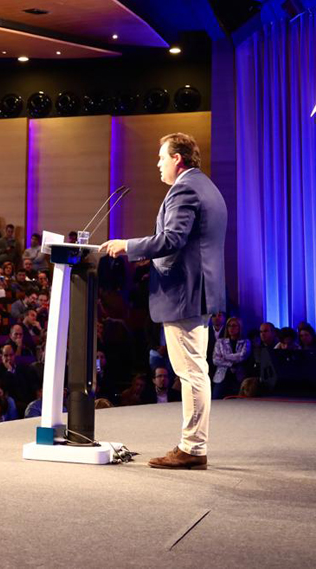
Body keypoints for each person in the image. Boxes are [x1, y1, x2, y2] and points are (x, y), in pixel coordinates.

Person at [101, 132, 227, 470]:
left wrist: (128, 246)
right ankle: (193, 445)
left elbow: (173, 238)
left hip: (184, 293)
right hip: (197, 290)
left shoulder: (184, 189)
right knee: (195, 370)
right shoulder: (206, 186)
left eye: (161, 157)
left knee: (192, 373)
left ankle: (192, 449)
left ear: (178, 158)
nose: (157, 164)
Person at [212, 317, 251, 399]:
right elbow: (216, 360)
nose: (231, 328)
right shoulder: (220, 342)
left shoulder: (245, 341)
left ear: (239, 327)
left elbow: (242, 356)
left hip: (238, 375)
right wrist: (231, 363)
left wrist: (224, 356)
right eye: (229, 326)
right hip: (222, 375)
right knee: (216, 398)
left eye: (234, 326)